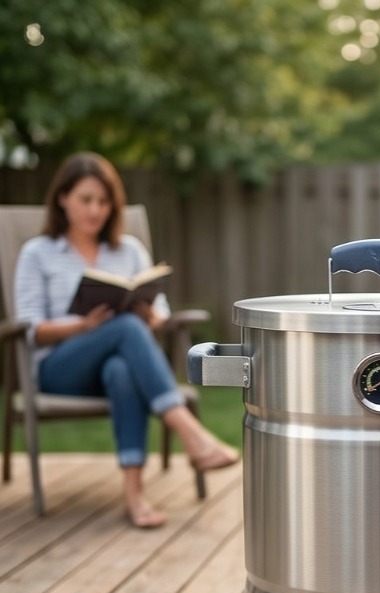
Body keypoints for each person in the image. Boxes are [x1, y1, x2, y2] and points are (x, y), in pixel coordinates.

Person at [14, 152, 239, 529]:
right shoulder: (37, 253)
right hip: (58, 368)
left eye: (104, 202)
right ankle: (190, 433)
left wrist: (152, 317)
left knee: (122, 364)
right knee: (122, 328)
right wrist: (83, 326)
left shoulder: (128, 249)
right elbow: (30, 327)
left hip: (114, 362)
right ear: (62, 199)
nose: (96, 209)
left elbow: (161, 311)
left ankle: (135, 496)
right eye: (86, 199)